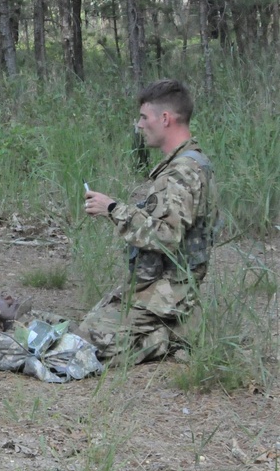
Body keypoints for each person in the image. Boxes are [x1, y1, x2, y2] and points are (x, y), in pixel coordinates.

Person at [80, 79, 218, 365]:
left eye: (144, 117)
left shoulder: (181, 172)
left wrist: (114, 209)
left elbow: (167, 237)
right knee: (90, 326)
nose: (140, 125)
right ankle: (175, 330)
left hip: (169, 290)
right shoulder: (192, 162)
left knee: (90, 345)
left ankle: (170, 338)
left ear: (165, 119)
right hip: (165, 284)